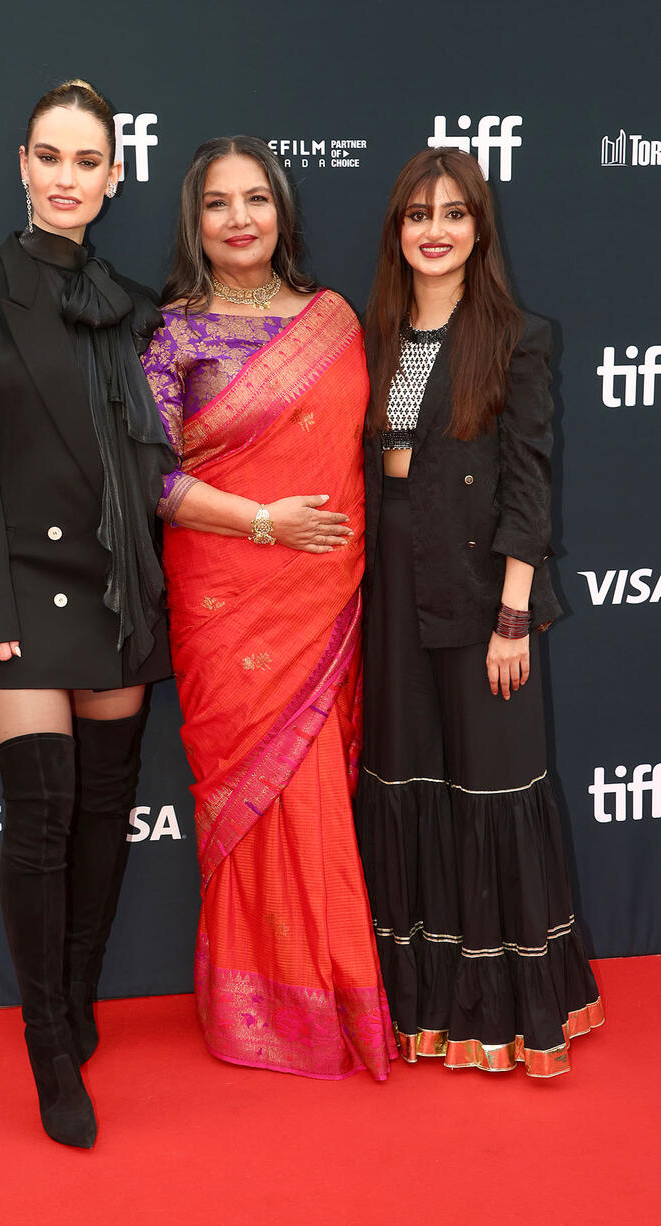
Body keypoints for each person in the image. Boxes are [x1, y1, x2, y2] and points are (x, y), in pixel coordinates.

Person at [0, 80, 175, 1146]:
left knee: (105, 815)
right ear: (20, 165)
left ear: (116, 177)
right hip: (23, 587)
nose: (68, 178)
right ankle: (45, 1049)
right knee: (41, 814)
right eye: (50, 156)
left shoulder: (135, 303)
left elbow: (155, 460)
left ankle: (75, 1001)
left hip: (119, 591)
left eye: (88, 161)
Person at [141, 136, 397, 1081]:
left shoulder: (334, 319)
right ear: (194, 222)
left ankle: (330, 994)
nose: (240, 218)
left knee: (318, 789)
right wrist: (264, 524)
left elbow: (369, 450)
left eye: (256, 198)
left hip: (321, 602)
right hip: (225, 597)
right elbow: (153, 479)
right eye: (218, 203)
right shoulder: (174, 335)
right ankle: (261, 1009)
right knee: (248, 798)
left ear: (282, 211)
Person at [356, 147, 603, 1077]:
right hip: (387, 589)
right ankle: (421, 1007)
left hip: (478, 590)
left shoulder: (517, 336)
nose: (435, 230)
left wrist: (513, 617)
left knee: (493, 790)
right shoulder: (372, 335)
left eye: (454, 213)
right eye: (418, 215)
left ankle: (510, 1015)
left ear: (479, 229)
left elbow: (528, 489)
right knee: (407, 780)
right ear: (397, 230)